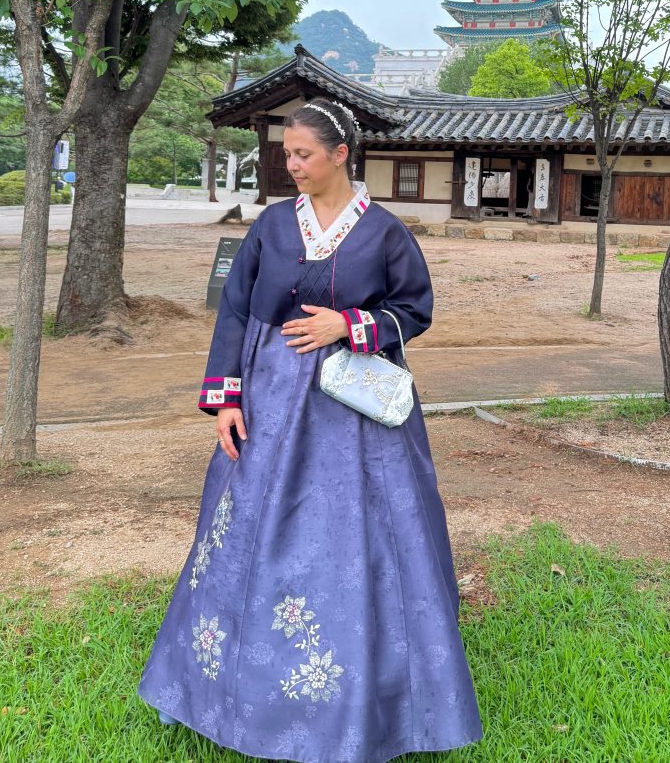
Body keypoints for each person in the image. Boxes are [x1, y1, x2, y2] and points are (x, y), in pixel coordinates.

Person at [137, 97, 484, 761]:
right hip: (269, 400)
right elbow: (235, 311)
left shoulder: (385, 232)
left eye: (303, 154)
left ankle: (373, 690)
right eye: (287, 154)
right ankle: (217, 688)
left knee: (360, 535)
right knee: (247, 528)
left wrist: (347, 325)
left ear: (340, 154)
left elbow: (414, 310)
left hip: (354, 412)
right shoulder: (272, 225)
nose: (291, 164)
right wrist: (227, 399)